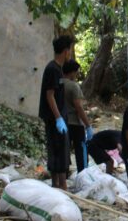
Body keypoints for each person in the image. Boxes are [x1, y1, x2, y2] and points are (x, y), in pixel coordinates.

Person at [39, 35, 74, 190]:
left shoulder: (58, 69)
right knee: (59, 151)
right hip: (54, 118)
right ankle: (61, 186)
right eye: (70, 51)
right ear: (66, 51)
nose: (70, 54)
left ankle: (58, 185)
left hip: (58, 117)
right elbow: (49, 95)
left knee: (60, 151)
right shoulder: (53, 69)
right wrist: (58, 118)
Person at [62, 60, 94, 172]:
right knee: (81, 152)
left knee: (64, 152)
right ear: (71, 72)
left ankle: (63, 177)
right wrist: (88, 125)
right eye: (76, 72)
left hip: (62, 122)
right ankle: (83, 175)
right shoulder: (73, 86)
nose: (76, 75)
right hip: (75, 123)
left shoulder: (58, 84)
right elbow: (79, 107)